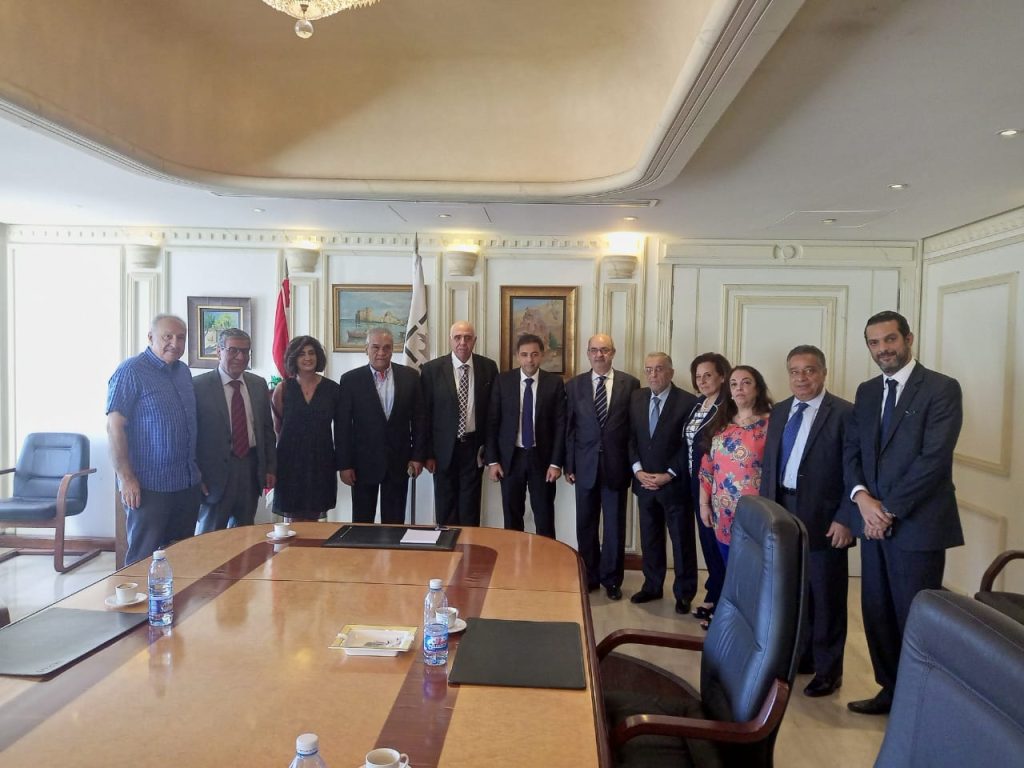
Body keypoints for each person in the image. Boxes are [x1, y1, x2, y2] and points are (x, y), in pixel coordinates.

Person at [844, 311, 963, 716]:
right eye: (874, 343)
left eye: (890, 339)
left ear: (908, 339)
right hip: (871, 522)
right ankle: (890, 691)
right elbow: (853, 451)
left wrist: (887, 510)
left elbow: (934, 460)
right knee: (877, 611)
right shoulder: (866, 391)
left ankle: (922, 704)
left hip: (917, 525)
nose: (883, 349)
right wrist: (862, 498)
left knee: (914, 616)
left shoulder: (942, 388)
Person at [760, 345, 854, 697]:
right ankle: (804, 656)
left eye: (809, 370)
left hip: (826, 517)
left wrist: (846, 518)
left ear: (823, 373)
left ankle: (829, 671)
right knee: (795, 591)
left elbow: (855, 472)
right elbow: (770, 465)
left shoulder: (845, 413)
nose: (801, 378)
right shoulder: (780, 411)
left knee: (827, 595)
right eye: (795, 371)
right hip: (783, 510)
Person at [106, 314, 201, 565]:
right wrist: (126, 478)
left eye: (181, 337)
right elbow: (114, 428)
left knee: (181, 555)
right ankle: (136, 594)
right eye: (167, 336)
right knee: (143, 557)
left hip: (186, 483)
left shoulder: (183, 372)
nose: (175, 343)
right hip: (148, 486)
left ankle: (177, 593)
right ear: (150, 337)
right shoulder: (130, 371)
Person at [565, 334, 640, 600]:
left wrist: (634, 465)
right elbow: (570, 428)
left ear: (613, 352)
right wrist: (569, 464)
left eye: (605, 350)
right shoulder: (574, 385)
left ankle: (612, 580)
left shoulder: (630, 384)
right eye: (594, 350)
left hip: (616, 466)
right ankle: (589, 577)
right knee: (585, 524)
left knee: (614, 527)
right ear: (588, 353)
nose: (599, 355)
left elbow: (633, 429)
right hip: (584, 466)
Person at [627, 352, 698, 614]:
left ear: (671, 372)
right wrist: (637, 470)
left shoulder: (688, 402)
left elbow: (688, 445)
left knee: (681, 540)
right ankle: (652, 586)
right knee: (650, 538)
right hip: (644, 482)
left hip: (674, 485)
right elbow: (630, 438)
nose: (653, 374)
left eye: (659, 369)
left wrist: (669, 474)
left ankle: (684, 593)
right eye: (649, 369)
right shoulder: (636, 398)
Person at [337, 327, 426, 524]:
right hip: (362, 465)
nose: (381, 352)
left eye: (387, 347)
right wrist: (344, 464)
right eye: (375, 347)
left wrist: (418, 456)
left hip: (399, 462)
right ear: (366, 349)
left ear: (393, 349)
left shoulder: (410, 377)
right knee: (362, 524)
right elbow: (343, 427)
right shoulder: (350, 380)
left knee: (394, 525)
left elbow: (419, 420)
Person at [194, 328, 276, 533]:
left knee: (244, 534)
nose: (240, 357)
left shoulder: (258, 384)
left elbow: (267, 430)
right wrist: (196, 474)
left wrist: (270, 468)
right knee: (211, 537)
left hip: (250, 467)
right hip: (214, 474)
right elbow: (191, 435)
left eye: (245, 351)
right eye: (233, 350)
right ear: (218, 352)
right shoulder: (198, 386)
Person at [486, 333, 566, 538]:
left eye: (534, 354)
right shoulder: (503, 381)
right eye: (524, 354)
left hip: (543, 460)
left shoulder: (554, 383)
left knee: (544, 516)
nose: (530, 360)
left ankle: (545, 558)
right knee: (512, 517)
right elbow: (492, 423)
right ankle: (514, 558)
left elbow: (560, 426)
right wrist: (493, 461)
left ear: (542, 355)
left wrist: (556, 463)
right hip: (511, 459)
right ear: (517, 356)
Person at [420, 321, 498, 526]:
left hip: (474, 449)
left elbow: (493, 415)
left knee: (470, 507)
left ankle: (469, 545)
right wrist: (428, 454)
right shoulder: (431, 370)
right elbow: (425, 416)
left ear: (475, 340)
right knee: (445, 507)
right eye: (457, 337)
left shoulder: (488, 368)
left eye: (467, 337)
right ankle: (447, 545)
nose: (462, 342)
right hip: (443, 451)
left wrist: (491, 453)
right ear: (450, 340)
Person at [699, 365, 772, 570]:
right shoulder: (720, 425)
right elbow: (706, 469)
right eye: (733, 384)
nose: (739, 388)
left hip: (757, 512)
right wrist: (704, 504)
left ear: (757, 388)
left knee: (756, 570)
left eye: (746, 382)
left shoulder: (771, 424)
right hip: (723, 512)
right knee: (729, 568)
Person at [683, 353, 731, 622]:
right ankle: (714, 592)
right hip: (696, 481)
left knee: (719, 541)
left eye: (708, 375)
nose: (702, 381)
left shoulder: (728, 406)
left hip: (719, 483)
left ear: (722, 376)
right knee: (707, 539)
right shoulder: (698, 404)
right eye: (698, 376)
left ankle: (724, 602)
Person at [271, 335, 341, 521]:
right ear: (293, 358)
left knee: (315, 517)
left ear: (318, 356)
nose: (308, 358)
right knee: (292, 519)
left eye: (311, 353)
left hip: (321, 461)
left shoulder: (333, 389)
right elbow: (278, 429)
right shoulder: (283, 389)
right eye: (302, 354)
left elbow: (341, 429)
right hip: (290, 462)